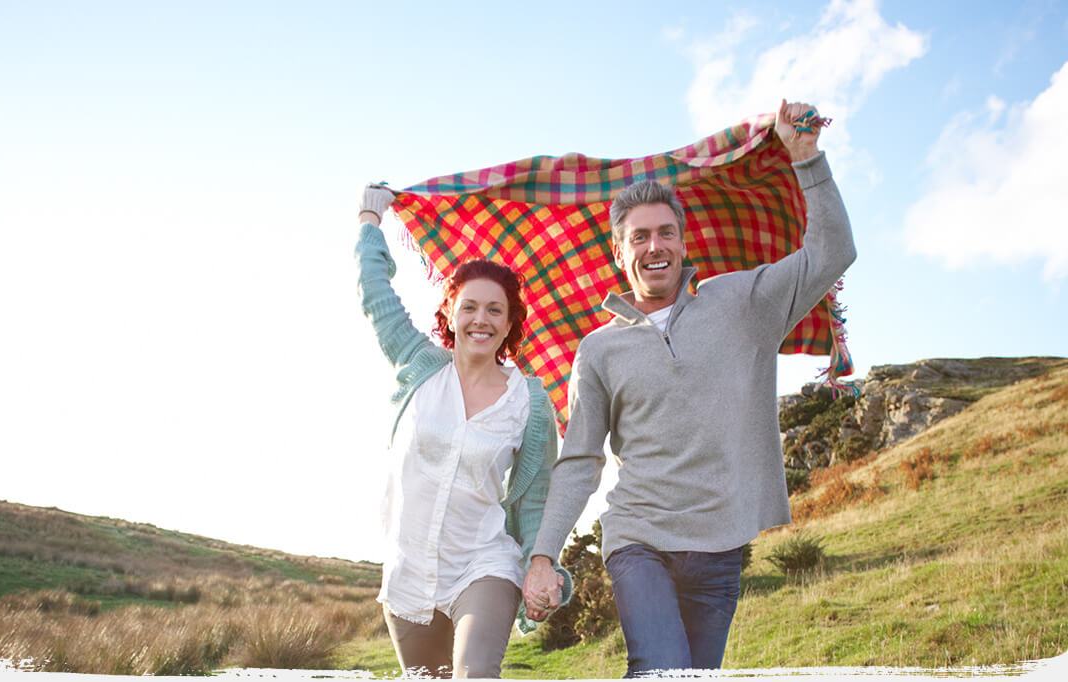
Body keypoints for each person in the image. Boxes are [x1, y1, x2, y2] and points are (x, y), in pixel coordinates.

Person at [521, 100, 856, 676]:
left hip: (721, 545)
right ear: (620, 252)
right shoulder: (598, 349)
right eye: (641, 237)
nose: (656, 246)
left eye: (667, 233)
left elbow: (832, 254)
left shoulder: (743, 303)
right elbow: (580, 459)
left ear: (683, 241)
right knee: (661, 667)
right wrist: (544, 555)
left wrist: (807, 158)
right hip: (638, 538)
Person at [356, 186, 572, 678]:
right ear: (450, 312)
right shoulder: (421, 367)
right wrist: (370, 218)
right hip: (409, 576)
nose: (481, 319)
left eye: (495, 310)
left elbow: (536, 500)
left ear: (511, 322)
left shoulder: (530, 403)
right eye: (470, 306)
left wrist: (541, 564)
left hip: (483, 564)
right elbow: (375, 294)